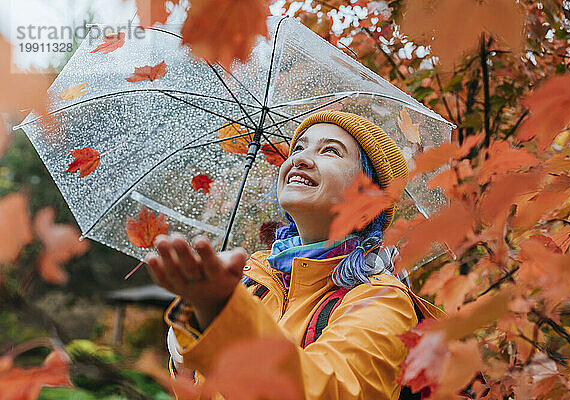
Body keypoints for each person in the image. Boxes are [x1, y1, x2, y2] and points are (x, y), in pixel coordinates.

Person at [145, 110, 445, 399]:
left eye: (330, 151)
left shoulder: (381, 298)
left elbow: (331, 393)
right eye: (298, 148)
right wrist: (186, 358)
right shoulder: (254, 277)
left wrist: (223, 322)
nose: (299, 158)